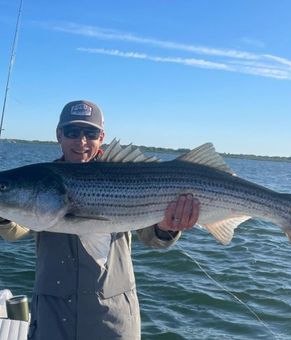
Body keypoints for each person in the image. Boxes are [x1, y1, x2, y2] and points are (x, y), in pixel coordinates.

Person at [0, 100, 200, 340]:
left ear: (102, 137)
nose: (81, 141)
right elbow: (15, 231)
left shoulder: (126, 172)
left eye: (90, 133)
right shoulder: (41, 179)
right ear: (59, 135)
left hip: (111, 315)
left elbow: (152, 239)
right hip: (53, 314)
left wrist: (166, 228)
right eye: (72, 132)